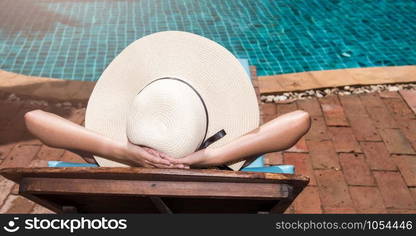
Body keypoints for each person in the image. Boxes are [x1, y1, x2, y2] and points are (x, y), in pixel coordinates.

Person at [24, 108, 311, 170]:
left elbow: (33, 118)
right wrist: (211, 157)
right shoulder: (215, 166)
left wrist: (122, 152)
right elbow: (300, 120)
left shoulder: (114, 164)